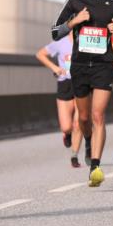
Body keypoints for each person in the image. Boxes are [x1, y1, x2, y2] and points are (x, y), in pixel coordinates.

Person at [51, 0, 113, 187]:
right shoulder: (75, 1)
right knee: (83, 118)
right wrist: (75, 21)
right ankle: (87, 139)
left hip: (104, 65)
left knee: (98, 116)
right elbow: (55, 32)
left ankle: (95, 165)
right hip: (81, 65)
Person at [36, 32, 84, 168]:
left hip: (82, 83)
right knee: (67, 126)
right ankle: (66, 134)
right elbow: (40, 54)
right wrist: (55, 68)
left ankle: (74, 155)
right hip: (65, 83)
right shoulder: (60, 42)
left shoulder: (86, 41)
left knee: (78, 123)